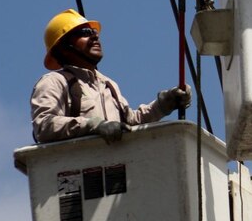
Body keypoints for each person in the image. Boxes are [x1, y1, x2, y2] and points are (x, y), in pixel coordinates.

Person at [31, 9, 191, 144]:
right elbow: (44, 125)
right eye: (85, 33)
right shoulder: (54, 82)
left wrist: (162, 105)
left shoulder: (108, 84)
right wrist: (94, 125)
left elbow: (130, 123)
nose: (95, 37)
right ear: (64, 48)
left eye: (94, 32)